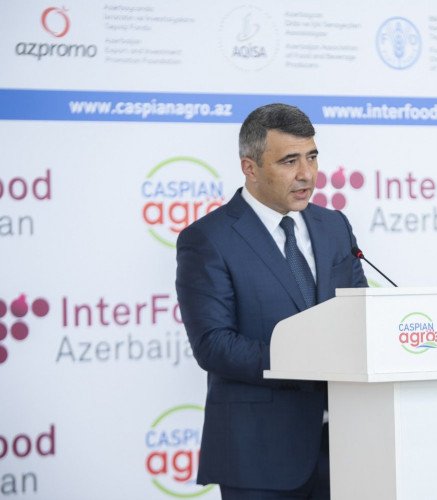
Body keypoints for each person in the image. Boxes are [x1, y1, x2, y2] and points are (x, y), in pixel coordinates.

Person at [176, 103, 367, 499]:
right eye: (289, 161)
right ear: (250, 168)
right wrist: (307, 362)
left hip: (350, 448)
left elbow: (360, 313)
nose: (307, 174)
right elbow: (213, 344)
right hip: (259, 456)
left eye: (312, 157)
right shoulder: (208, 239)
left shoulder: (334, 226)